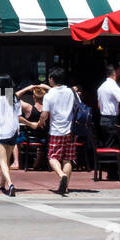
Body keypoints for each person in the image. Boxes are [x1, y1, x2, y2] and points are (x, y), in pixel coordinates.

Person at [38, 68, 78, 196]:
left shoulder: (49, 95)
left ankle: (61, 175)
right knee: (68, 159)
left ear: (51, 79)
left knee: (52, 157)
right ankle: (65, 187)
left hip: (56, 130)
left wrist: (40, 122)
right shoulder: (71, 91)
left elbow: (44, 115)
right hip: (70, 129)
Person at [0, 73, 20, 196]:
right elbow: (18, 116)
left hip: (0, 132)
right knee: (7, 160)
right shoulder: (15, 98)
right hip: (13, 131)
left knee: (2, 161)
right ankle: (2, 184)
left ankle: (10, 184)